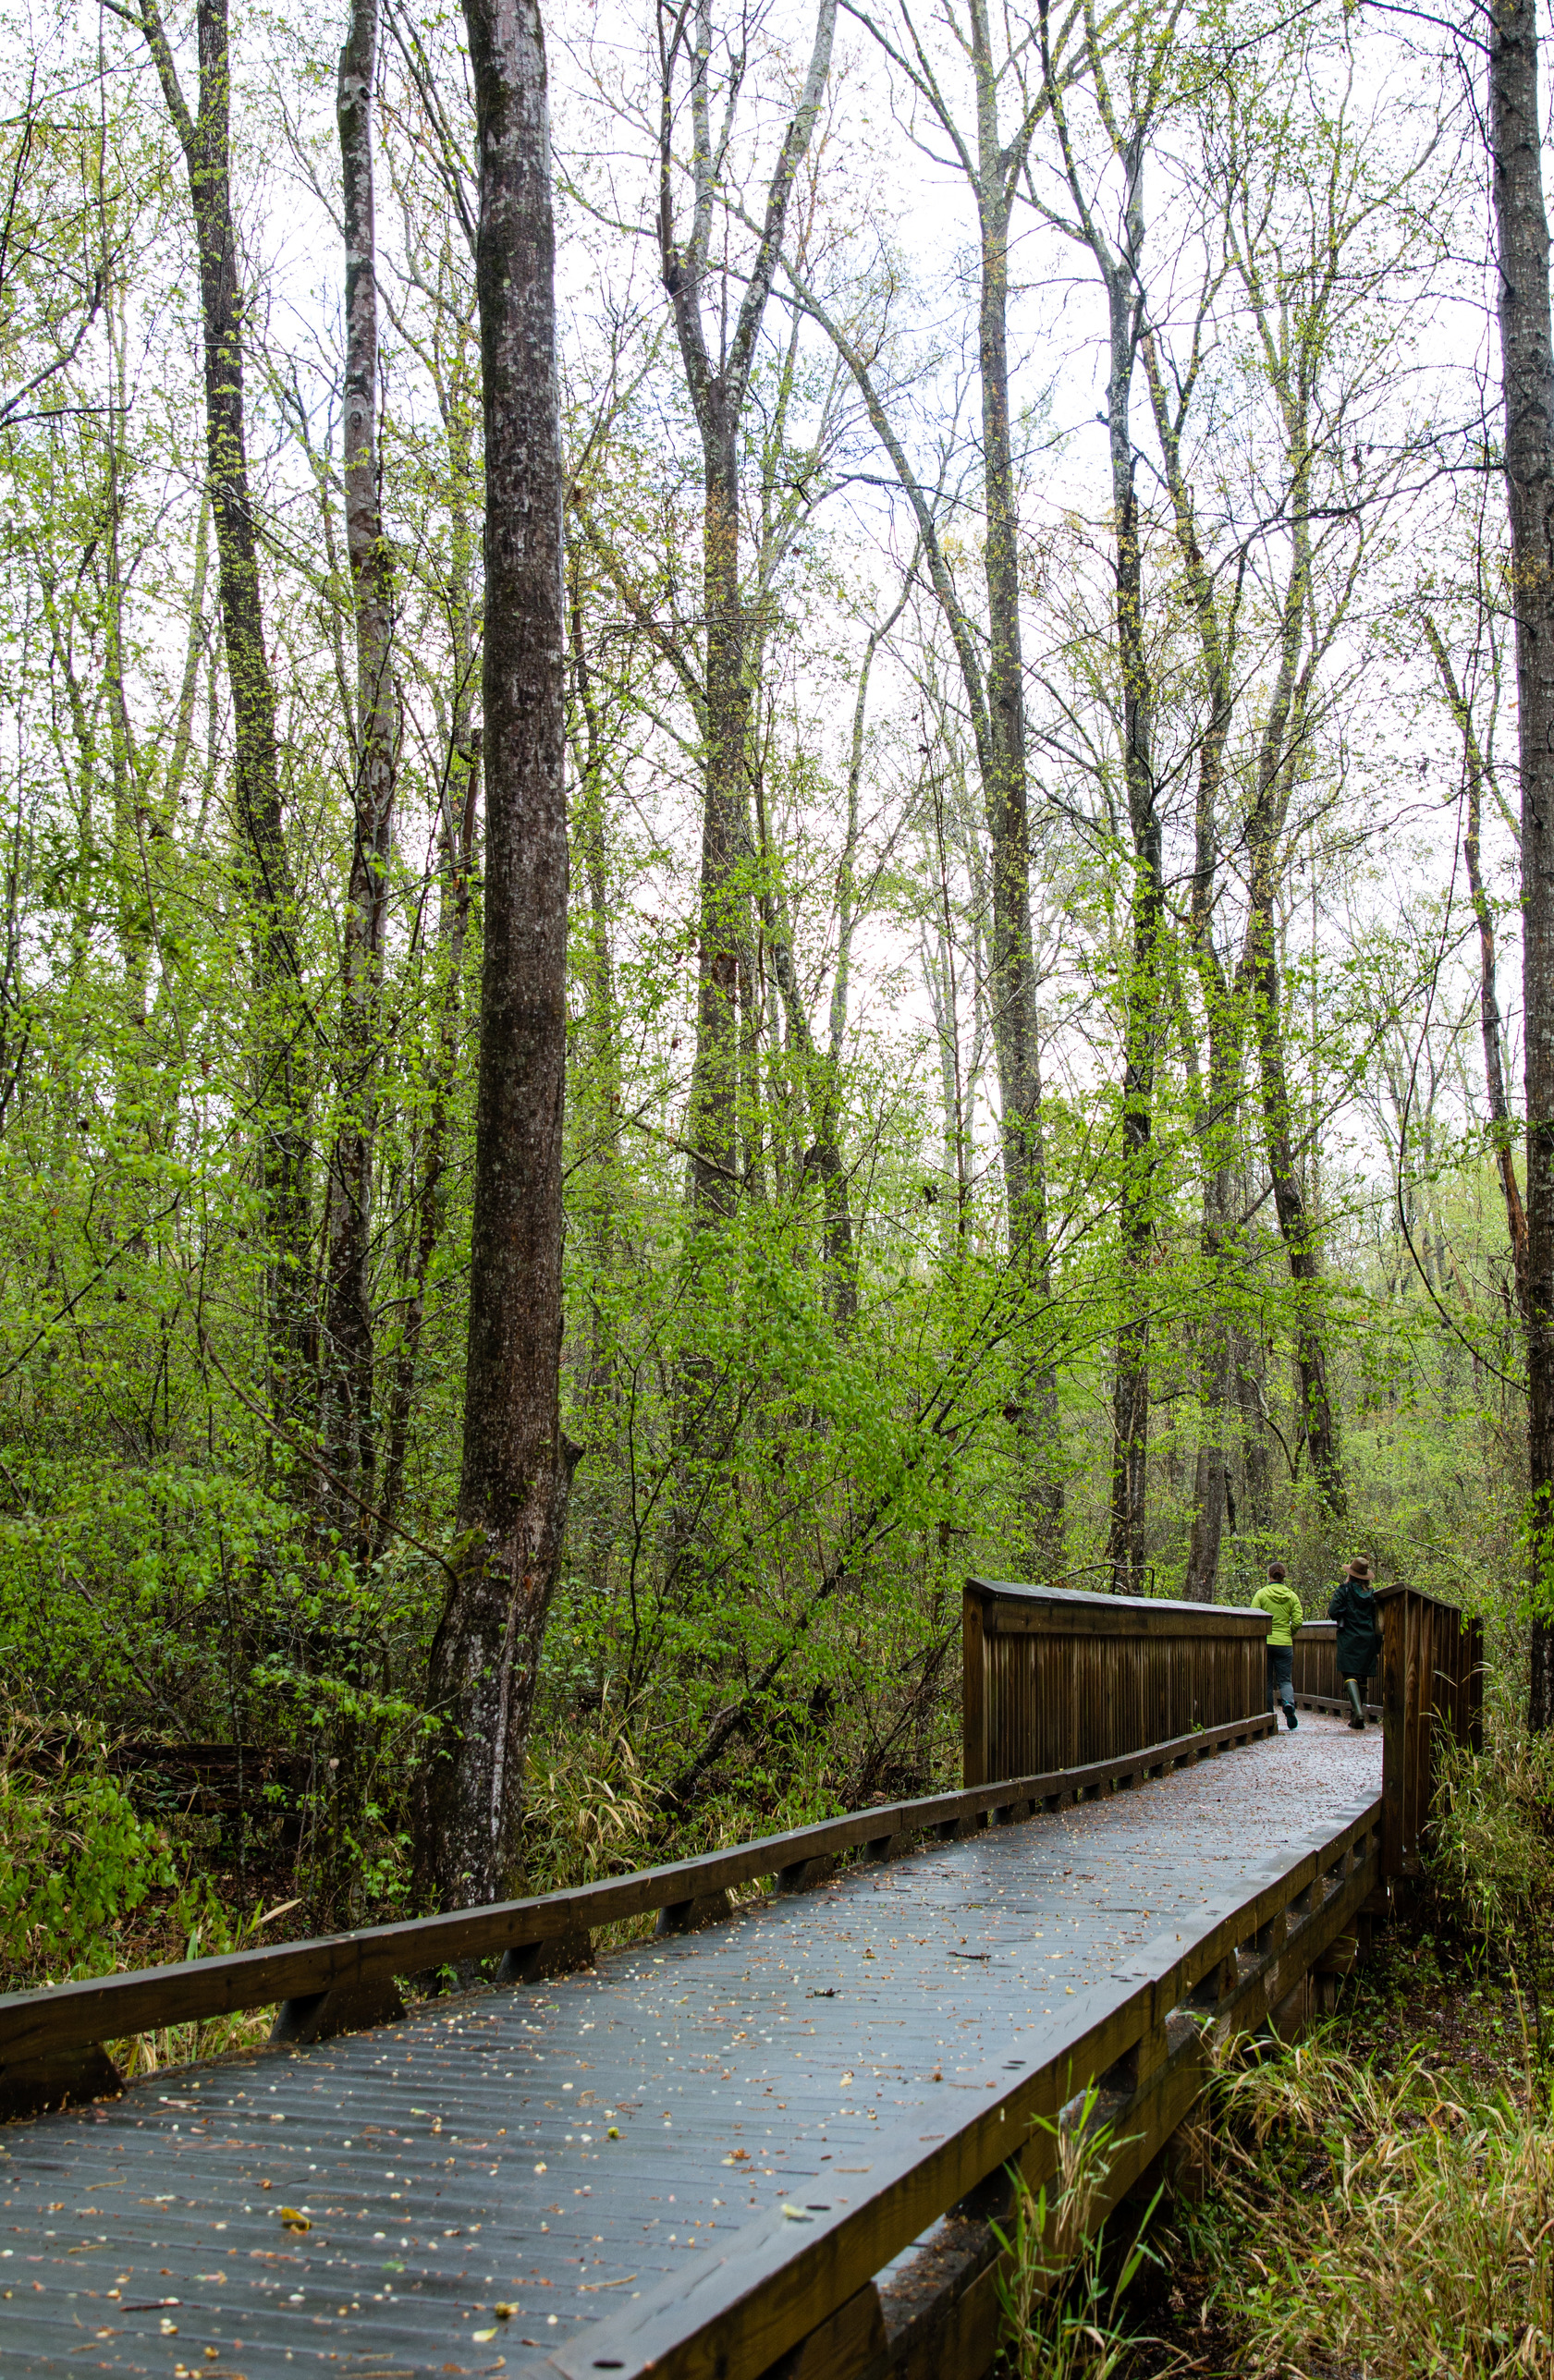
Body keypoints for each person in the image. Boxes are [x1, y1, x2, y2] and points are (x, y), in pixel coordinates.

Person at [1328, 1556, 1382, 1729]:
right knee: (1363, 1675)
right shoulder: (1373, 1595)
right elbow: (1378, 1619)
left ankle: (1357, 1711)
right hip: (1368, 1638)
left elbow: (1333, 1611)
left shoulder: (1344, 1590)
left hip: (1349, 1636)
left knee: (1350, 1674)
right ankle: (1358, 1716)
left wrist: (1345, 1611)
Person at [1251, 1560, 1303, 1731]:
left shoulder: (1261, 1594)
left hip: (1265, 1643)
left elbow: (1254, 1617)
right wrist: (1288, 1632)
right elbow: (1297, 1621)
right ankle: (1288, 1704)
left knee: (1266, 1681)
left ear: (1269, 1575)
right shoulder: (1292, 1596)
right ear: (1283, 1576)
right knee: (1285, 1680)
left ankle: (1269, 1716)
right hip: (1284, 1644)